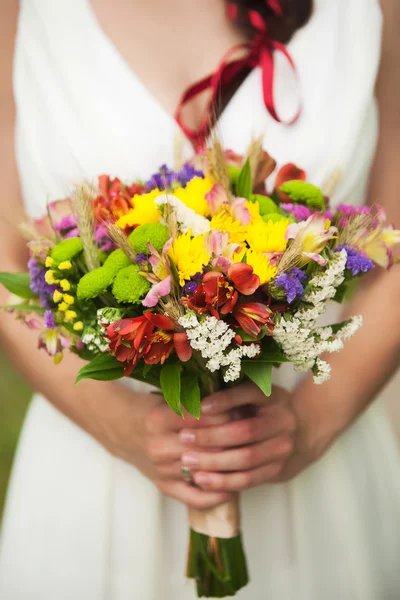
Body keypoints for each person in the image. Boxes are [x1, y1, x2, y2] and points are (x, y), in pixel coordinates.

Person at [0, 0, 399, 598]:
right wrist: (121, 427)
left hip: (316, 471)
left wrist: (314, 423)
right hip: (92, 477)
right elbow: (5, 253)